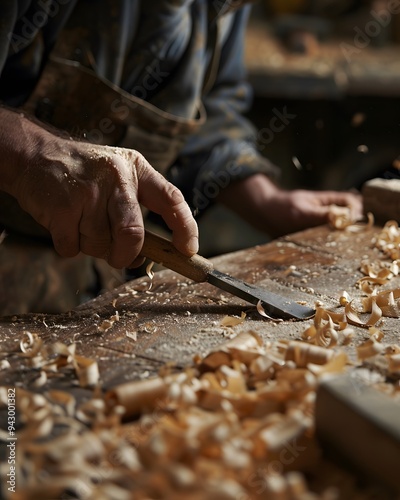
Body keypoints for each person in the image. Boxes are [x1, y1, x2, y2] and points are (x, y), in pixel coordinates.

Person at [0, 0, 362, 314]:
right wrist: (32, 153)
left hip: (88, 275)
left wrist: (266, 199)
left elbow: (209, 110)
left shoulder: (225, 9)